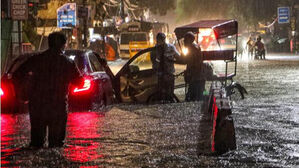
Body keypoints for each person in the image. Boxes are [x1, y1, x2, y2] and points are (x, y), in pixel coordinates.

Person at [14, 32, 81, 148]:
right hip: (58, 106)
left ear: (49, 44)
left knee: (36, 144)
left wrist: (23, 92)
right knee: (56, 145)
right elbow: (79, 82)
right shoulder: (68, 63)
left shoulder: (36, 59)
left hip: (37, 105)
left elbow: (17, 75)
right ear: (63, 45)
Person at [150, 32, 180, 101]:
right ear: (157, 40)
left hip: (169, 74)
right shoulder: (154, 50)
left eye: (162, 39)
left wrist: (171, 60)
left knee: (170, 94)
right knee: (160, 94)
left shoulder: (171, 47)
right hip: (159, 76)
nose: (161, 42)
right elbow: (153, 62)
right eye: (159, 40)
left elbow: (179, 57)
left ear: (164, 39)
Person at [182, 31, 205, 101]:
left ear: (189, 40)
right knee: (198, 94)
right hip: (197, 76)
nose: (184, 41)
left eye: (185, 40)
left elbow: (190, 62)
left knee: (193, 96)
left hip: (196, 77)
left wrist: (189, 73)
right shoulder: (194, 47)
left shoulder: (193, 48)